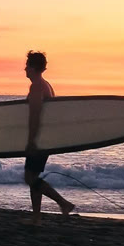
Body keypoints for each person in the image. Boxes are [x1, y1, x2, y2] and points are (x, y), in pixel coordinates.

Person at [23, 51, 75, 225]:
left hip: (40, 140)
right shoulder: (46, 85)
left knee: (30, 178)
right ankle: (36, 217)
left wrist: (31, 140)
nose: (25, 69)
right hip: (45, 139)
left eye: (27, 65)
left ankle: (63, 203)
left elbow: (35, 115)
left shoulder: (37, 86)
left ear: (33, 67)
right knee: (32, 177)